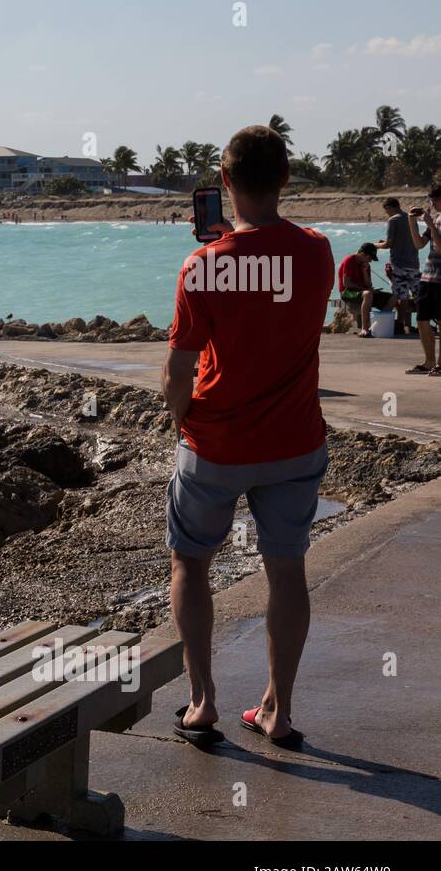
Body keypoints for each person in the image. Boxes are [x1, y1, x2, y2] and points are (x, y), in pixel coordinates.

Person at [162, 125, 333, 750]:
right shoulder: (317, 251)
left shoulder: (201, 267)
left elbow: (179, 368)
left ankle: (203, 701)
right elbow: (278, 294)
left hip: (217, 443)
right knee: (287, 570)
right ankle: (276, 711)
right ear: (286, 178)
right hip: (293, 442)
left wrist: (181, 421)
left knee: (191, 561)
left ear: (225, 182)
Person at [375, 198, 424, 335]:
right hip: (414, 264)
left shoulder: (393, 220)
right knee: (413, 296)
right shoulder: (411, 218)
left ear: (389, 208)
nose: (387, 214)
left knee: (398, 294)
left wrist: (376, 245)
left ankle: (382, 324)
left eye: (386, 211)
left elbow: (389, 243)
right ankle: (415, 324)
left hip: (399, 264)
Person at [410, 183, 441, 374]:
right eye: (431, 199)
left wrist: (429, 224)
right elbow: (420, 244)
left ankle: (439, 364)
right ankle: (429, 361)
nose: (433, 203)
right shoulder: (436, 219)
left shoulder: (435, 221)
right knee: (422, 319)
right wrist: (411, 221)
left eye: (436, 199)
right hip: (428, 276)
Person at [337, 242, 395, 335]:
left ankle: (378, 325)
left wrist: (364, 271)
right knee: (368, 294)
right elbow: (346, 283)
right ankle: (365, 329)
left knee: (393, 298)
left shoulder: (366, 265)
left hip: (363, 292)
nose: (370, 261)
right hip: (347, 292)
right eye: (369, 258)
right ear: (362, 254)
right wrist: (364, 289)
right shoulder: (349, 260)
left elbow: (368, 284)